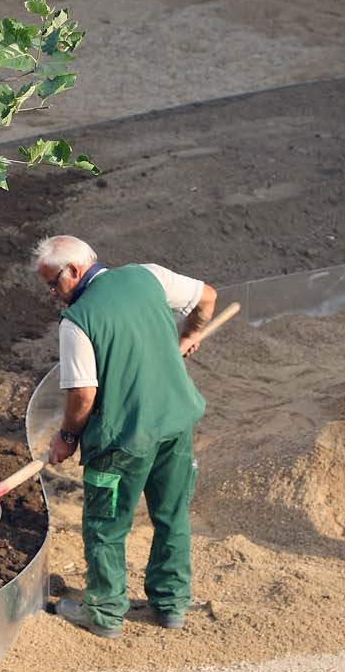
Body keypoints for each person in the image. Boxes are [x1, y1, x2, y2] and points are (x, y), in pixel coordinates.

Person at [35, 235, 218, 639]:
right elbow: (206, 297)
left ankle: (103, 615)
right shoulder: (148, 276)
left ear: (76, 271)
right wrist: (187, 337)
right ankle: (170, 605)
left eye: (52, 283)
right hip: (174, 423)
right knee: (171, 515)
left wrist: (66, 437)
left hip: (122, 441)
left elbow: (83, 395)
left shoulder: (77, 322)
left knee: (105, 527)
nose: (51, 293)